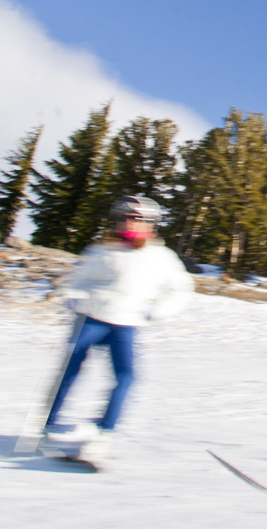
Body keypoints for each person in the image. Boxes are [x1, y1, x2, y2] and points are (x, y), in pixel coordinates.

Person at [44, 195, 194, 463]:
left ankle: (104, 431)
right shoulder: (102, 250)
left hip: (126, 322)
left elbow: (181, 289)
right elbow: (78, 280)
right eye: (124, 217)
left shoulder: (160, 257)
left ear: (149, 223)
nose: (129, 223)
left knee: (126, 377)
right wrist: (74, 296)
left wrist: (158, 310)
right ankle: (48, 425)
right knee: (70, 370)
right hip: (92, 318)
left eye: (135, 218)